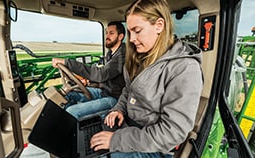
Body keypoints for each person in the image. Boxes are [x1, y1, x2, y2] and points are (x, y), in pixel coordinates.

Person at [90, 0, 203, 157]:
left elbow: (172, 132)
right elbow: (128, 90)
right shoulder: (140, 57)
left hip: (154, 147)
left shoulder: (184, 68)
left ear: (159, 25)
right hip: (129, 128)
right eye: (130, 32)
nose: (131, 39)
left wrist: (117, 140)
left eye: (137, 30)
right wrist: (119, 109)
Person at [52, 21, 126, 119]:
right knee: (67, 96)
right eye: (106, 33)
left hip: (114, 99)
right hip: (102, 92)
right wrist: (88, 81)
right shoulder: (110, 54)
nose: (107, 36)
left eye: (111, 33)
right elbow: (107, 75)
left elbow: (101, 74)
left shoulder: (122, 55)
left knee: (72, 111)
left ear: (120, 36)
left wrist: (67, 63)